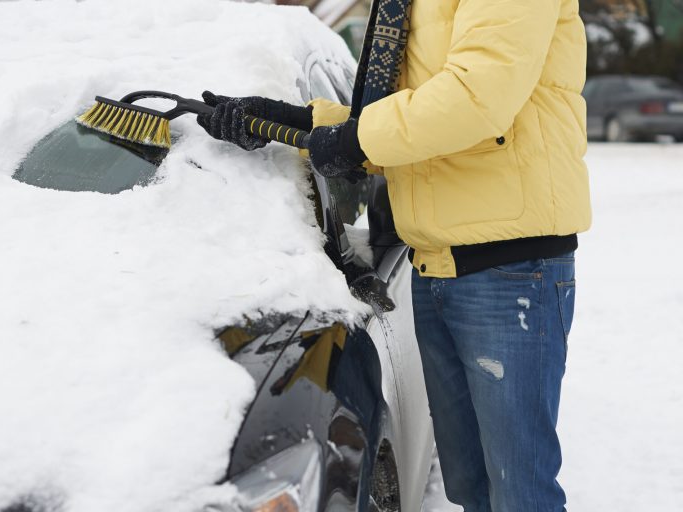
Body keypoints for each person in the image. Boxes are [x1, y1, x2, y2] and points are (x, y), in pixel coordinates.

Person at [197, 0, 591, 509]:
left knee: (520, 493)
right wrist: (302, 121)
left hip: (510, 269)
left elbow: (477, 96)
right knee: (472, 488)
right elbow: (408, 112)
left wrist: (354, 139)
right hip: (434, 263)